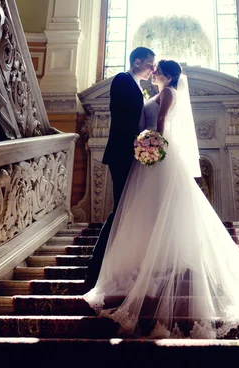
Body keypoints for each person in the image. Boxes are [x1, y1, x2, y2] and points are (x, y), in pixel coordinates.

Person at [83, 60, 239, 338]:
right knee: (146, 209)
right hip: (148, 155)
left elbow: (163, 120)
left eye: (157, 69)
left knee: (160, 206)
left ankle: (161, 264)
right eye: (151, 67)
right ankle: (146, 263)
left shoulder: (167, 93)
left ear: (166, 74)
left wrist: (154, 144)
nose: (153, 71)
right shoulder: (154, 92)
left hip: (158, 154)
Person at [83, 46, 155, 292]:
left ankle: (110, 266)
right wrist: (140, 143)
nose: (152, 69)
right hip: (123, 152)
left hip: (130, 152)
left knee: (124, 210)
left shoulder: (135, 84)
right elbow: (124, 119)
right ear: (136, 61)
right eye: (149, 63)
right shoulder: (123, 80)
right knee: (120, 210)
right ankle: (95, 269)